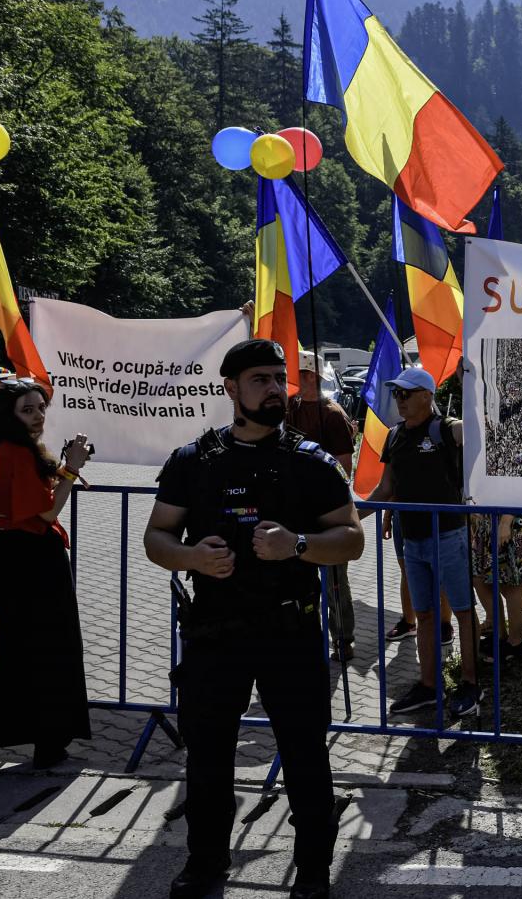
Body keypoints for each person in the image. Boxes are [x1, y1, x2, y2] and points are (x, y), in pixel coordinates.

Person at [143, 339, 364, 899]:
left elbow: (352, 539)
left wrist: (298, 545)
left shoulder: (309, 461)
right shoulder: (194, 461)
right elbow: (156, 536)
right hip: (214, 632)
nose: (273, 389)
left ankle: (313, 871)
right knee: (207, 755)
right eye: (260, 379)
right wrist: (191, 558)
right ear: (231, 388)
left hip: (289, 631)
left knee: (304, 755)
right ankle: (205, 862)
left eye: (277, 378)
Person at [0, 380, 91, 776]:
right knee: (31, 651)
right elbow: (47, 512)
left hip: (19, 557)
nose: (38, 416)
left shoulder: (6, 447)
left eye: (41, 408)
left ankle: (38, 744)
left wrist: (63, 468)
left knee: (32, 650)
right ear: (8, 415)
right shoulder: (14, 451)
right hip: (31, 560)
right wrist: (72, 468)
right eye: (28, 410)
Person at [366, 366, 482, 719]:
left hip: (449, 535)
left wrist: (469, 385)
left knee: (463, 611)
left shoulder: (446, 429)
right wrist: (350, 517)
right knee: (426, 615)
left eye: (406, 393)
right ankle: (429, 686)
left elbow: (480, 428)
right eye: (396, 393)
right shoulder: (394, 435)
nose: (399, 400)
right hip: (412, 540)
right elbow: (386, 488)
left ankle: (471, 684)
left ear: (427, 396)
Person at [287, 350, 360, 662]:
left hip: (328, 514)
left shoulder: (332, 414)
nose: (297, 379)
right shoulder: (289, 408)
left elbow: (344, 467)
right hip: (294, 512)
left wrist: (317, 487)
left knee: (334, 583)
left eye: (302, 374)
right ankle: (303, 639)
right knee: (298, 581)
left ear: (314, 377)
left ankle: (343, 639)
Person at [471, 510, 522, 661]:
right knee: (479, 578)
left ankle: (514, 643)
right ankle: (499, 636)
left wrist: (506, 522)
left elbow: (517, 495)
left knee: (511, 584)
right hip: (487, 521)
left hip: (510, 521)